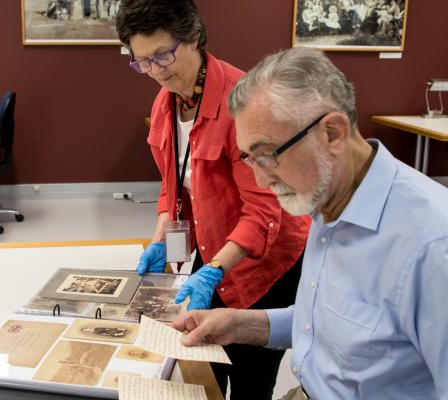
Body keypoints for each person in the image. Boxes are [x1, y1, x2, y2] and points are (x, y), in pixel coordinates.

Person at [172, 46, 448, 399]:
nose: (259, 180)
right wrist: (239, 323)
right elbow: (325, 321)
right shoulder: (327, 196)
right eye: (249, 158)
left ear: (332, 133)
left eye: (268, 155)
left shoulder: (432, 248)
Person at [116, 1, 310, 398]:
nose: (155, 70)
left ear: (193, 37)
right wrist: (159, 239)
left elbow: (262, 211)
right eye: (141, 62)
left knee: (249, 374)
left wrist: (213, 270)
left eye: (163, 55)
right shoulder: (166, 99)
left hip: (268, 258)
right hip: (215, 240)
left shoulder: (244, 104)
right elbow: (174, 184)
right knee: (202, 359)